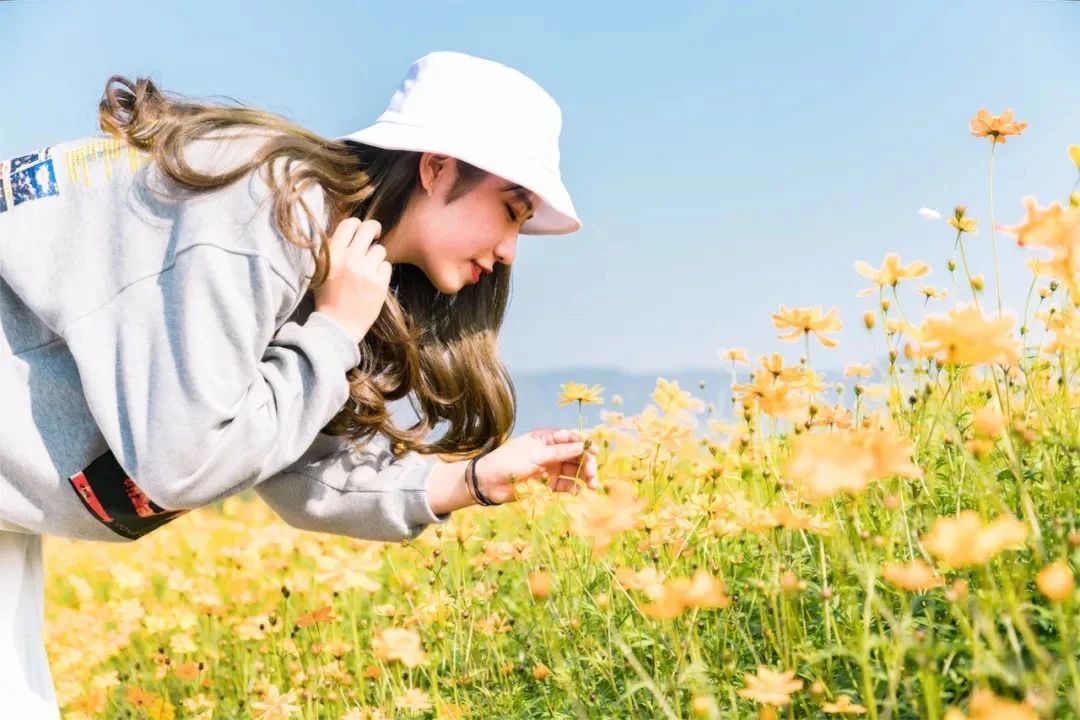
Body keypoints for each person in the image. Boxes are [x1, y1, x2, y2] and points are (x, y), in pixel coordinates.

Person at [0, 50, 599, 718]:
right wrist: (334, 334)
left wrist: (478, 480)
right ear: (436, 168)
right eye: (512, 210)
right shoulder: (260, 210)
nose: (512, 250)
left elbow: (287, 463)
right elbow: (182, 460)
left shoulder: (332, 257)